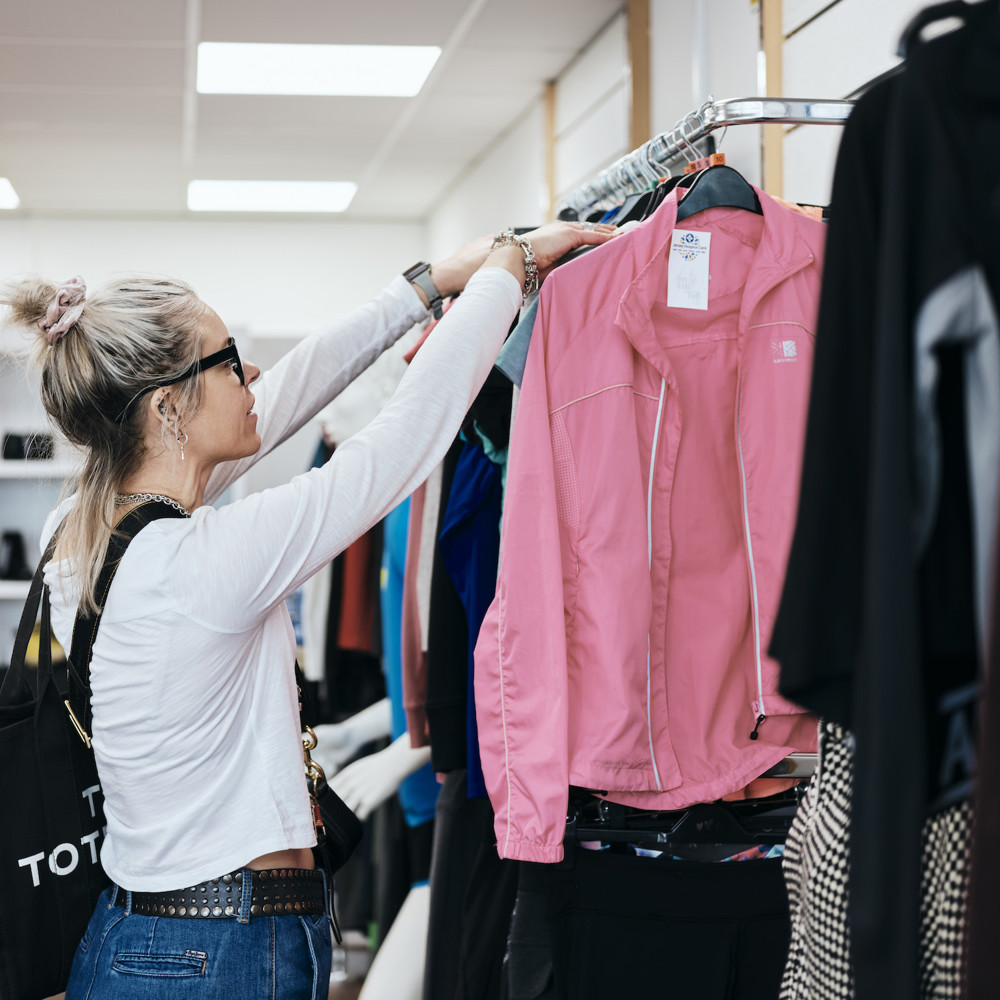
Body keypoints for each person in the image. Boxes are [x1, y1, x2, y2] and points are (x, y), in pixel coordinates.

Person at [0, 220, 615, 998]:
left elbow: (293, 385)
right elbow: (399, 444)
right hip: (220, 951)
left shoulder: (83, 529)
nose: (253, 373)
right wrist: (505, 270)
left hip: (153, 937)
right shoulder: (200, 562)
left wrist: (428, 286)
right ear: (168, 409)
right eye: (229, 362)